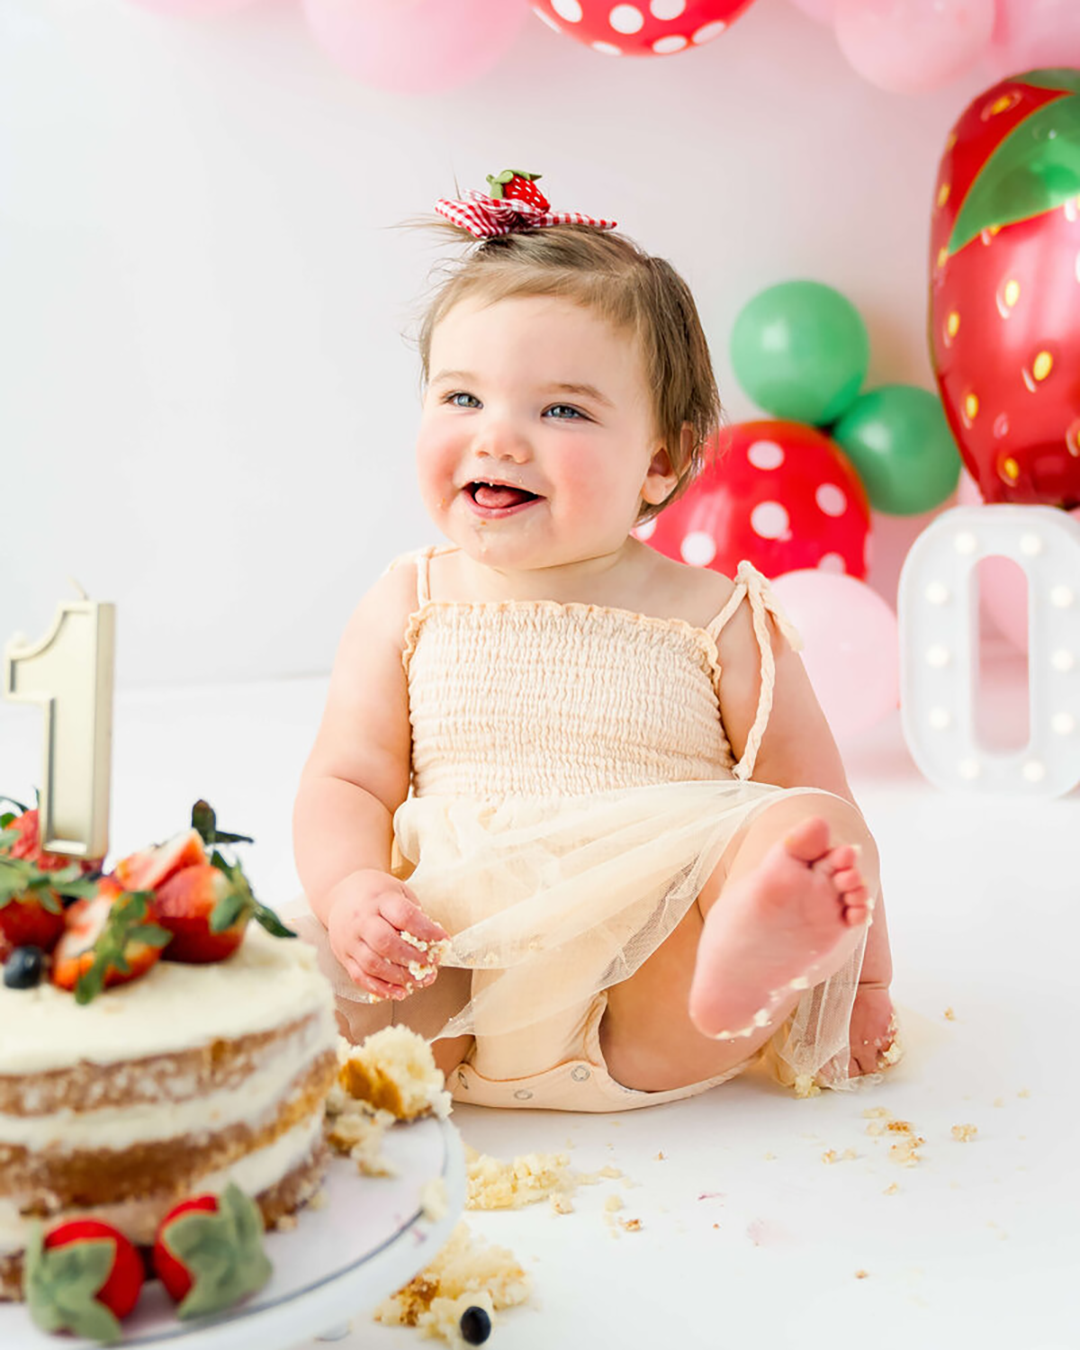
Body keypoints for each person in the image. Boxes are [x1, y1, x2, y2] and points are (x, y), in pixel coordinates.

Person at [292, 172, 898, 1112]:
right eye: (461, 398)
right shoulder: (407, 599)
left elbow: (821, 799)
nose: (499, 438)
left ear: (662, 459)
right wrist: (351, 893)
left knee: (796, 827)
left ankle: (752, 955)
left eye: (561, 410)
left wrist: (865, 984)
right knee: (296, 978)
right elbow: (347, 781)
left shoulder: (719, 617)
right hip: (449, 959)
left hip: (647, 983)